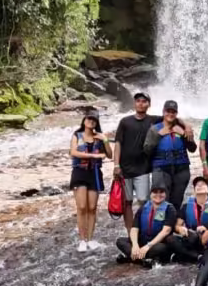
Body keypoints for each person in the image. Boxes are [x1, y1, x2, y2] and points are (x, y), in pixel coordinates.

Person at [112, 92, 161, 233]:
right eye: (138, 101)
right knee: (127, 202)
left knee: (143, 201)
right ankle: (130, 232)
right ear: (134, 103)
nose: (141, 103)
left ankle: (141, 229)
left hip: (143, 168)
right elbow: (118, 144)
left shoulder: (154, 120)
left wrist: (186, 126)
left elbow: (172, 118)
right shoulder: (125, 121)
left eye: (144, 101)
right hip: (125, 169)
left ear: (149, 104)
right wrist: (116, 165)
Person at [69, 109, 111, 252]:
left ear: (96, 122)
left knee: (92, 208)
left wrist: (105, 139)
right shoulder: (77, 135)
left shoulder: (99, 138)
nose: (91, 121)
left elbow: (109, 154)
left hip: (94, 173)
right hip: (80, 172)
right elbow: (73, 152)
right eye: (89, 119)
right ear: (84, 120)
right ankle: (82, 240)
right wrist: (92, 156)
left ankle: (90, 238)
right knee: (81, 207)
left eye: (94, 120)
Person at [144, 100, 197, 210]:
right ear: (163, 112)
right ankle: (161, 225)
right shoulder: (155, 129)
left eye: (173, 112)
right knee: (160, 200)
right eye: (168, 111)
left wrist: (183, 135)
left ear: (176, 114)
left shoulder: (182, 129)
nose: (170, 114)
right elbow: (147, 150)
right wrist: (159, 135)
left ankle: (173, 225)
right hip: (161, 169)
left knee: (177, 201)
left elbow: (193, 149)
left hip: (181, 169)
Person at [115, 181, 177, 266]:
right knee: (120, 241)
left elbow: (165, 231)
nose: (158, 195)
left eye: (161, 192)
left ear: (165, 194)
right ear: (150, 194)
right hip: (143, 242)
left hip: (157, 243)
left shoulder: (170, 209)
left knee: (161, 248)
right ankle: (144, 260)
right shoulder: (143, 208)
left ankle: (132, 258)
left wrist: (148, 246)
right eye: (155, 192)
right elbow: (134, 229)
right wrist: (135, 245)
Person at [167, 177, 208, 264]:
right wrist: (180, 229)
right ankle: (196, 256)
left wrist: (207, 228)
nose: (199, 186)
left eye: (203, 184)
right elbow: (177, 225)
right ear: (194, 191)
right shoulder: (186, 206)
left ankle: (187, 256)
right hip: (191, 238)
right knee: (170, 239)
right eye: (197, 185)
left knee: (194, 238)